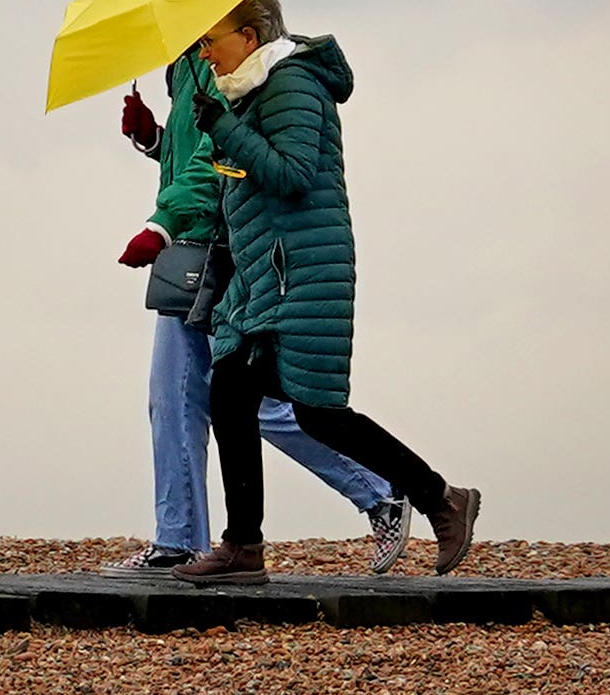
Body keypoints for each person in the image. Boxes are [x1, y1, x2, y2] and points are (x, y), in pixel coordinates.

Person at [172, 0, 480, 585]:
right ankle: (245, 547)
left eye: (210, 41)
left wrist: (226, 131)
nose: (205, 54)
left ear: (249, 36)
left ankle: (440, 499)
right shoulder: (249, 93)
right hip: (267, 279)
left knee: (311, 411)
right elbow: (249, 179)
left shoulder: (291, 83)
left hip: (303, 275)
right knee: (242, 395)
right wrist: (203, 140)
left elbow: (292, 174)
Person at [100, 47, 413, 578]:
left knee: (225, 400)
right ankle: (182, 539)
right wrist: (155, 140)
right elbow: (206, 157)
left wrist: (162, 224)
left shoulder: (221, 62)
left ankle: (380, 491)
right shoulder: (186, 64)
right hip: (202, 244)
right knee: (201, 398)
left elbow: (218, 160)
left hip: (217, 248)